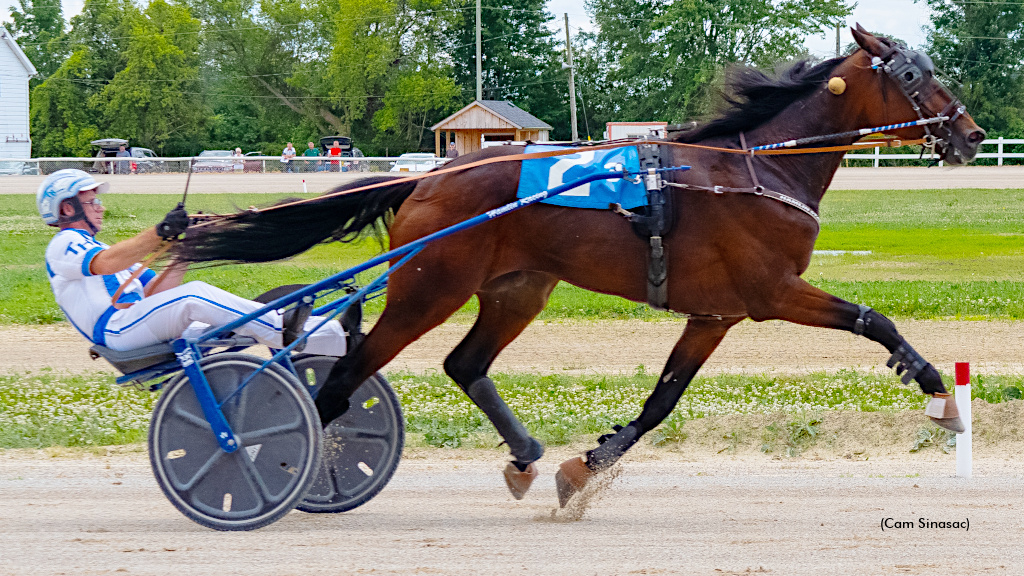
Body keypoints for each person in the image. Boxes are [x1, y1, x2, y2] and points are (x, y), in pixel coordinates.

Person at [37, 169, 349, 356]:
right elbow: (106, 263)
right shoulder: (63, 245)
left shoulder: (99, 247)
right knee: (194, 296)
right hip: (117, 330)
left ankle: (330, 334)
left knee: (231, 326)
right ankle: (298, 333)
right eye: (92, 202)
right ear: (67, 209)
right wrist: (161, 232)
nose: (101, 208)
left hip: (135, 323)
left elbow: (156, 295)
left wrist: (189, 246)